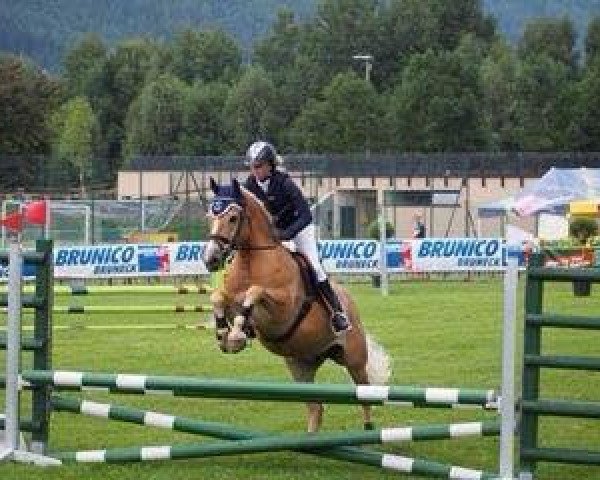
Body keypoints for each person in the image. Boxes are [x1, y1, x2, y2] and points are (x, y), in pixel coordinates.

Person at [243, 140, 351, 334]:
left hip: (299, 229)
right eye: (252, 167)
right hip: (273, 233)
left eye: (258, 166)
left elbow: (305, 215)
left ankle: (337, 312)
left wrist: (287, 235)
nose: (255, 171)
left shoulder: (285, 183)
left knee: (315, 267)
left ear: (270, 165)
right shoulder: (250, 184)